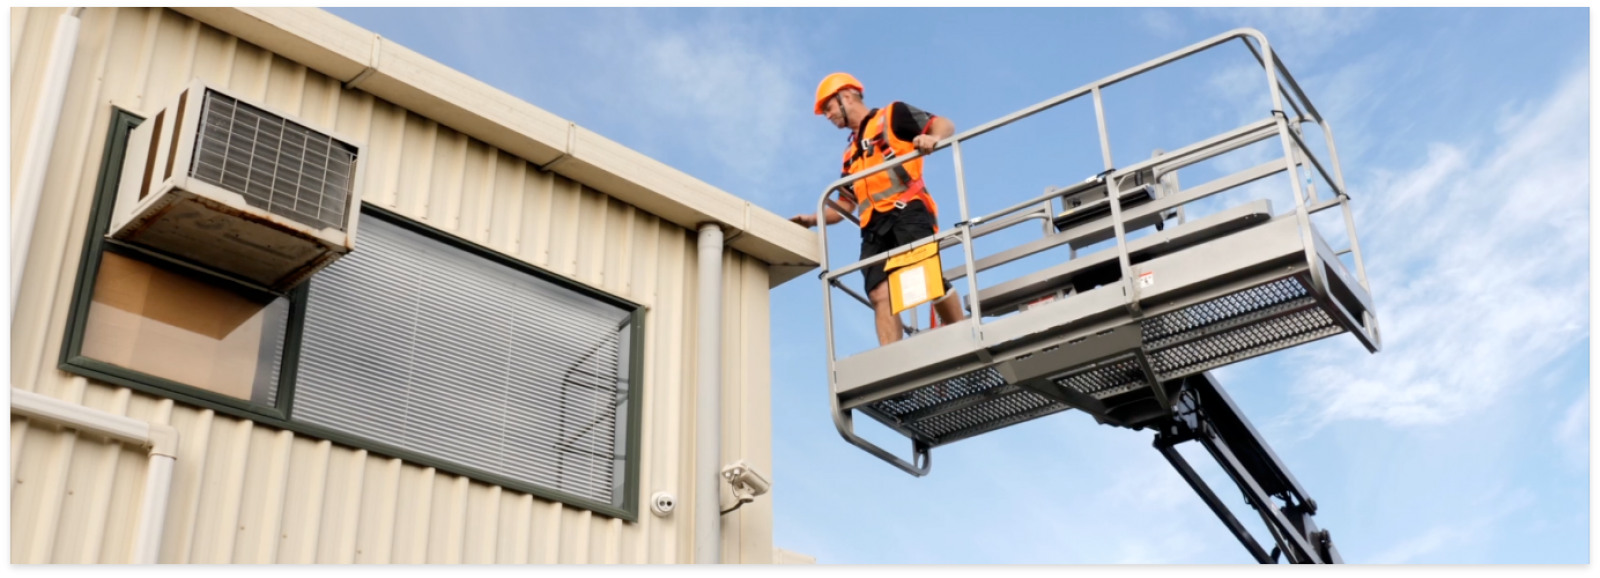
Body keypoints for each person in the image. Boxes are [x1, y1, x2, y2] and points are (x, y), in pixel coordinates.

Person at [790, 72, 966, 346]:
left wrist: (932, 138)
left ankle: (963, 334)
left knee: (922, 278)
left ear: (846, 96)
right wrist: (813, 219)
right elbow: (844, 205)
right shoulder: (850, 154)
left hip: (907, 210)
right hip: (873, 228)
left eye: (828, 107)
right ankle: (893, 364)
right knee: (879, 293)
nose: (827, 116)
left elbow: (943, 124)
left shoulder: (891, 116)